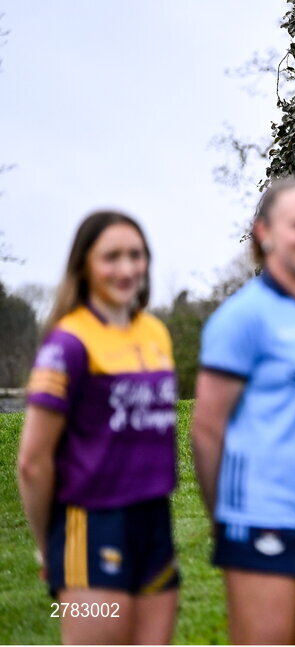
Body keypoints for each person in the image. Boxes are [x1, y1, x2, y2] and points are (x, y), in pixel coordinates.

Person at [190, 176, 295, 644]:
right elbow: (207, 430)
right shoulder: (241, 318)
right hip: (263, 516)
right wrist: (225, 518)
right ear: (264, 232)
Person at [17, 211, 179, 644]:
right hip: (91, 529)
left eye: (135, 255)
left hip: (155, 525)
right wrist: (47, 543)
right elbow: (33, 462)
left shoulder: (156, 333)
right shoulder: (67, 344)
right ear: (84, 265)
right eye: (111, 257)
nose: (126, 269)